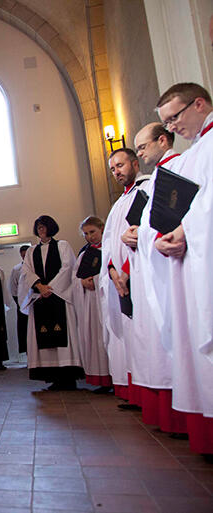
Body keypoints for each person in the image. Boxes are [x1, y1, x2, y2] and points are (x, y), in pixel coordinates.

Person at [154, 82, 213, 454]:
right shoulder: (194, 154)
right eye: (166, 122)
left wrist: (183, 230)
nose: (171, 128)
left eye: (174, 117)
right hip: (191, 264)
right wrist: (161, 236)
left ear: (200, 103)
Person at [124, 124, 186, 436]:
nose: (140, 155)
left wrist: (143, 236)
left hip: (173, 267)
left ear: (163, 140)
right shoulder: (159, 176)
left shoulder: (177, 169)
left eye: (141, 148)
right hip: (153, 267)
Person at [98, 148, 148, 406]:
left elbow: (141, 235)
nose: (116, 172)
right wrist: (113, 271)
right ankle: (134, 391)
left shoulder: (146, 191)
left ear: (135, 163)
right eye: (112, 169)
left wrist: (125, 271)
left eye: (120, 165)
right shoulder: (119, 203)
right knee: (128, 337)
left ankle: (146, 392)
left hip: (137, 279)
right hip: (119, 280)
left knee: (143, 336)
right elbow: (108, 245)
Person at [18, 215, 83, 390]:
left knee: (64, 337)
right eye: (38, 227)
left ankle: (68, 378)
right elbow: (26, 271)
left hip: (59, 298)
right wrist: (39, 286)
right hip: (41, 299)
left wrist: (50, 288)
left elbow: (68, 267)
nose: (41, 230)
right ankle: (52, 377)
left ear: (50, 227)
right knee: (43, 338)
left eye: (43, 226)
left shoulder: (63, 246)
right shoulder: (31, 251)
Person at [71, 216, 111, 393]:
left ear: (102, 228)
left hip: (108, 303)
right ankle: (102, 380)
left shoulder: (111, 247)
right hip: (90, 303)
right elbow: (73, 278)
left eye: (92, 232)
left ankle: (117, 379)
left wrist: (95, 279)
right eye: (86, 234)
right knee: (95, 339)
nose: (90, 237)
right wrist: (81, 283)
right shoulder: (84, 253)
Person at [9, 245, 30, 354]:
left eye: (26, 255)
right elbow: (13, 288)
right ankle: (28, 355)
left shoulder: (37, 267)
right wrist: (20, 302)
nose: (24, 258)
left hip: (36, 302)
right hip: (22, 303)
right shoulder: (17, 269)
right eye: (22, 256)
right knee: (25, 330)